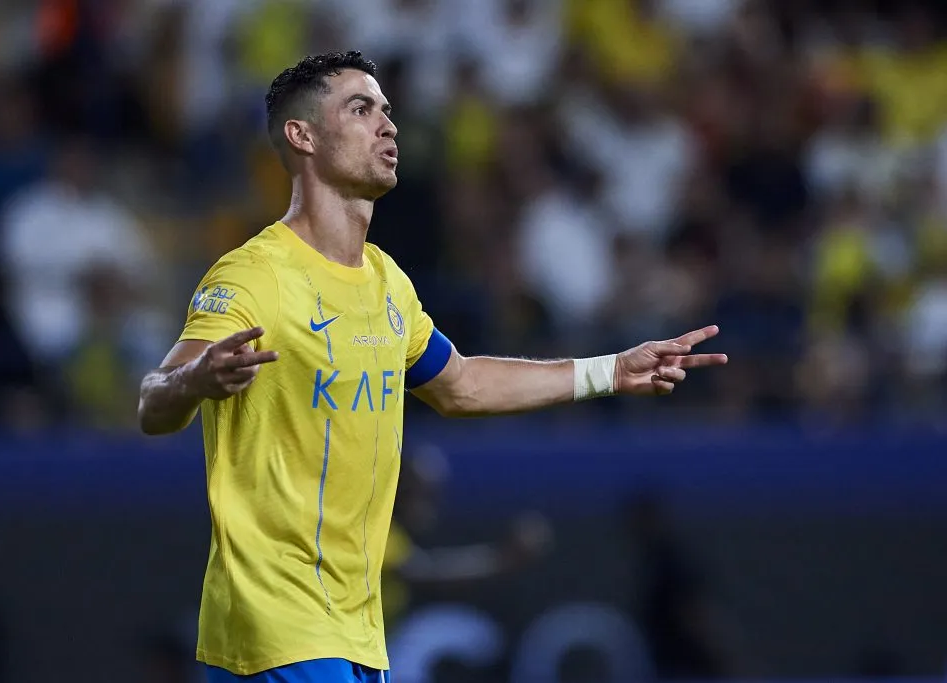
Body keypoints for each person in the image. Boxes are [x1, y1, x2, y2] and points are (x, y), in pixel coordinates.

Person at [136, 51, 728, 683]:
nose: (387, 126)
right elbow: (152, 402)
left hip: (356, 635)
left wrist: (609, 371)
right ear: (302, 136)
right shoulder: (253, 275)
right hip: (276, 630)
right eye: (360, 109)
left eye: (387, 112)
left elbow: (462, 385)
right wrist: (194, 380)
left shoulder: (388, 283)